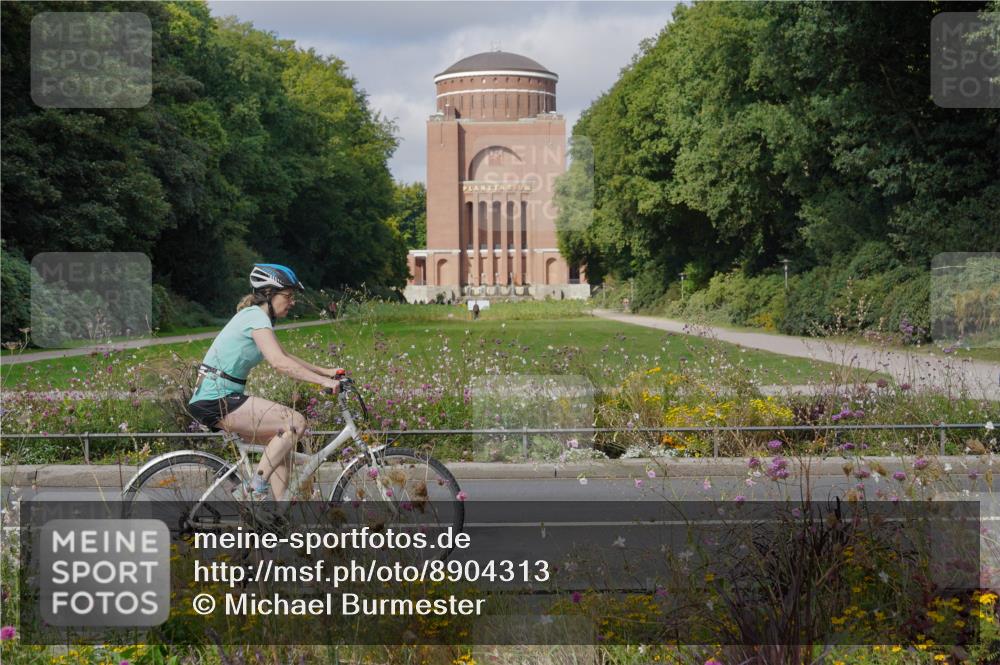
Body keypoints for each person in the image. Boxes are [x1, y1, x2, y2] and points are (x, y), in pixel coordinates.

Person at [187, 263, 342, 500]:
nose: (292, 302)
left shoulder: (257, 318)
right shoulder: (255, 317)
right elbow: (279, 363)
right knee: (293, 422)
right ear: (269, 294)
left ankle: (281, 517)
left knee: (280, 447)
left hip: (220, 397)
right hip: (216, 398)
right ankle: (253, 488)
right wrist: (322, 382)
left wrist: (326, 372)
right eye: (288, 296)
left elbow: (285, 355)